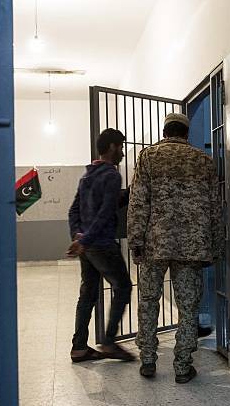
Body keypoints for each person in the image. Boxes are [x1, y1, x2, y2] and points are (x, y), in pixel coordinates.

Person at [128, 113, 225, 383]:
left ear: (164, 131)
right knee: (188, 306)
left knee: (148, 301)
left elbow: (138, 202)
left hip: (154, 244)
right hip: (191, 247)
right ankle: (182, 366)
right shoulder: (203, 160)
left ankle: (148, 359)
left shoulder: (148, 157)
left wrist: (136, 240)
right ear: (186, 133)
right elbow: (215, 207)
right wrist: (216, 245)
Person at [67, 128, 135, 362]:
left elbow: (74, 210)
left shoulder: (88, 176)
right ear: (112, 147)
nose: (123, 153)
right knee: (124, 287)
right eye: (121, 147)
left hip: (87, 247)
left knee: (87, 294)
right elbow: (105, 213)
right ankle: (108, 342)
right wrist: (85, 240)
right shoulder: (112, 175)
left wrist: (78, 236)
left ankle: (79, 347)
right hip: (102, 244)